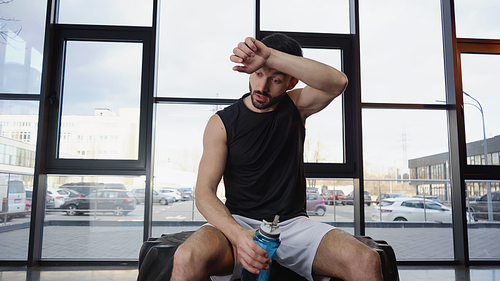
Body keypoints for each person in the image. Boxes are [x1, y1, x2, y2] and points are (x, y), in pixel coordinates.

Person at [171, 33, 382, 281]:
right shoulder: (220, 123)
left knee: (366, 259)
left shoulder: (297, 105)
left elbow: (337, 82)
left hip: (292, 225)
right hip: (237, 221)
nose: (262, 87)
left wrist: (269, 56)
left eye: (276, 79)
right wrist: (238, 234)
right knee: (186, 258)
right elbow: (204, 193)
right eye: (259, 74)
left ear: (291, 82)